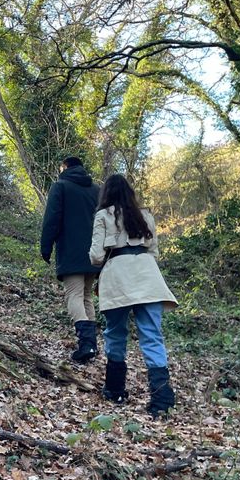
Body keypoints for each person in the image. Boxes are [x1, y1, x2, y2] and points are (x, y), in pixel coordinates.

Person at [89, 174, 177, 417]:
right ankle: (162, 400)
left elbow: (96, 257)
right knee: (152, 336)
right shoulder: (145, 215)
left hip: (117, 277)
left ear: (106, 193)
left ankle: (115, 390)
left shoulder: (103, 216)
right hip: (148, 276)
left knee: (116, 333)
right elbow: (154, 251)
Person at [40, 156, 102, 363]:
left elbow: (52, 218)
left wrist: (45, 247)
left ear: (65, 167)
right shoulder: (96, 190)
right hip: (94, 252)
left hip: (71, 251)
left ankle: (86, 344)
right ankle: (91, 345)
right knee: (86, 296)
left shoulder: (61, 186)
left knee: (73, 295)